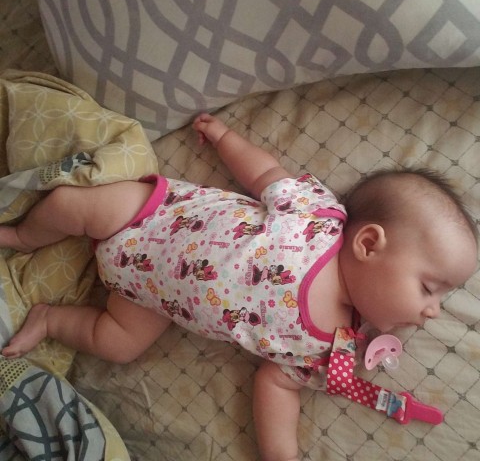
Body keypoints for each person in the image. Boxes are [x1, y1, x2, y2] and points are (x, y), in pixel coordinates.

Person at [1, 113, 477, 461]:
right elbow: (266, 176)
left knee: (118, 344)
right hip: (151, 215)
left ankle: (49, 319)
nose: (433, 310)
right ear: (369, 244)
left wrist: (281, 454)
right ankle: (23, 235)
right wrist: (226, 138)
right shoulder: (317, 219)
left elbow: (276, 385)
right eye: (428, 287)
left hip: (145, 297)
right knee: (72, 206)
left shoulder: (327, 349)